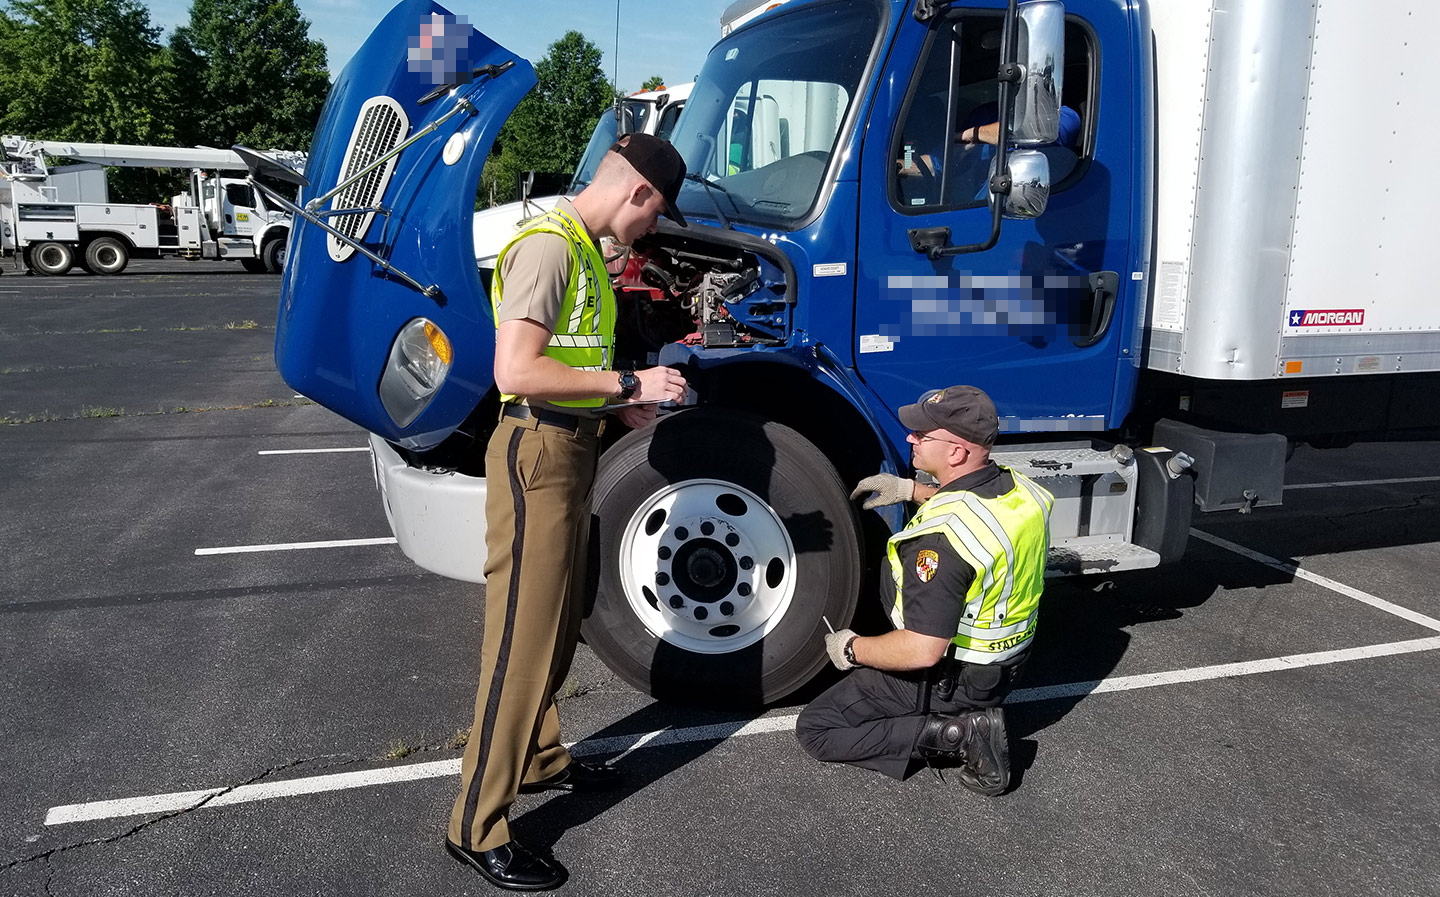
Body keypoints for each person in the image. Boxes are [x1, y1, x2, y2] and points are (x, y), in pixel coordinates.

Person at [445, 133, 689, 891]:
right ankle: (474, 824)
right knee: (520, 642)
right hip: (537, 455)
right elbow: (516, 369)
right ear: (638, 194)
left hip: (572, 446)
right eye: (656, 214)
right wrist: (631, 385)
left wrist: (617, 414)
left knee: (559, 621)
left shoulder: (584, 249)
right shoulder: (551, 249)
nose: (653, 230)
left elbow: (570, 359)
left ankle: (542, 756)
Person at [795, 385, 1053, 794]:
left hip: (952, 676)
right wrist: (913, 491)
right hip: (1007, 662)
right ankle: (970, 715)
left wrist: (852, 649)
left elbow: (922, 650)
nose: (910, 438)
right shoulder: (1022, 490)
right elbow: (976, 506)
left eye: (922, 434)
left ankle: (963, 734)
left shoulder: (941, 544)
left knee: (817, 730)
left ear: (956, 452)